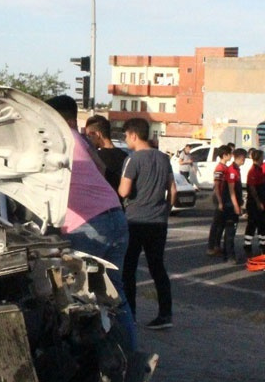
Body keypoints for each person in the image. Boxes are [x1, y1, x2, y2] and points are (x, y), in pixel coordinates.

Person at [44, 95, 137, 349]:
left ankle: (91, 364)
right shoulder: (81, 140)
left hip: (88, 225)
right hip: (115, 216)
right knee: (115, 296)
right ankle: (131, 353)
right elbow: (100, 168)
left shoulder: (54, 139)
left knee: (79, 298)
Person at [117, 118, 177, 330]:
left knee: (129, 268)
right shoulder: (163, 158)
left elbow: (123, 191)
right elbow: (173, 190)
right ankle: (165, 314)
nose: (125, 140)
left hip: (135, 220)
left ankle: (130, 315)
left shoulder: (132, 160)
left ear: (133, 135)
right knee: (157, 267)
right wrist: (164, 210)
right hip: (158, 222)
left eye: (125, 136)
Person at [83, 115, 126, 193]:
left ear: (97, 134)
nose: (88, 140)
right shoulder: (124, 155)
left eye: (89, 136)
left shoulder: (97, 157)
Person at [219, 148, 246, 261]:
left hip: (232, 203)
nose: (244, 161)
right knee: (230, 230)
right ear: (240, 158)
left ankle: (227, 252)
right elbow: (231, 190)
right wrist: (236, 205)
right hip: (230, 205)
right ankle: (230, 254)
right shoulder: (232, 170)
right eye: (244, 158)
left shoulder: (236, 169)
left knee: (231, 230)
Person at [206, 145, 231, 256]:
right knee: (216, 224)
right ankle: (211, 247)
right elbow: (216, 186)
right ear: (225, 155)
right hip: (219, 197)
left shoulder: (225, 167)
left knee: (221, 224)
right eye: (230, 154)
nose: (231, 156)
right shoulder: (220, 168)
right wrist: (220, 202)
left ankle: (217, 246)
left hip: (224, 198)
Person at [243, 147, 265, 257]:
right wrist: (258, 202)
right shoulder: (253, 171)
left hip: (259, 201)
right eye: (262, 158)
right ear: (258, 159)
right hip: (254, 203)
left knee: (262, 225)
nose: (263, 160)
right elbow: (253, 188)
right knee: (252, 224)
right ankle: (247, 246)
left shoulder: (259, 169)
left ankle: (264, 246)